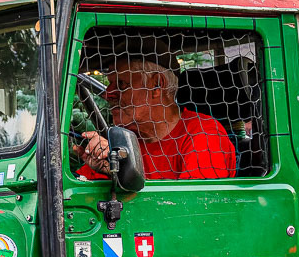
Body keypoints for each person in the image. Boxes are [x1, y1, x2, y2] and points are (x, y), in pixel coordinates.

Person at [75, 57, 236, 180]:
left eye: (121, 84)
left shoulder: (203, 134)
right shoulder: (125, 140)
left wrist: (125, 174)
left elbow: (194, 207)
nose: (108, 94)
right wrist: (111, 171)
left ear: (157, 85)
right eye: (110, 84)